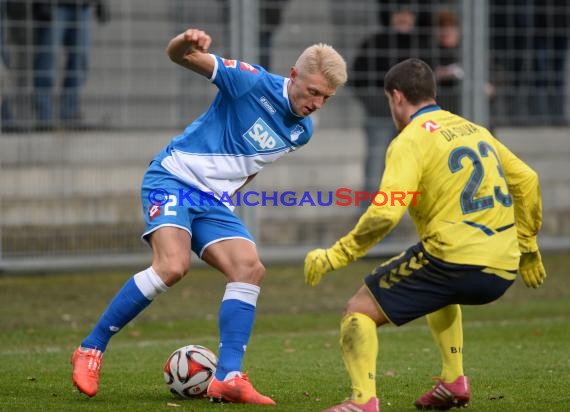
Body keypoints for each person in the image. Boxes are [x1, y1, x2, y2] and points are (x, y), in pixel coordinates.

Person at [70, 27, 347, 404]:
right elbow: (178, 56)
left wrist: (227, 198)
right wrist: (187, 42)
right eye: (314, 92)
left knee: (250, 269)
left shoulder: (302, 131)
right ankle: (91, 348)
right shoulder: (249, 81)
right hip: (173, 178)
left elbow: (251, 165)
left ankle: (228, 377)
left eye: (326, 98)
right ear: (294, 75)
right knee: (172, 266)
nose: (317, 103)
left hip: (214, 202)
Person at [304, 58, 546, 412]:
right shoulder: (473, 129)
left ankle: (362, 402)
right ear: (432, 94)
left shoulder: (410, 140)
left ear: (396, 97)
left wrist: (337, 254)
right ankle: (453, 382)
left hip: (455, 259)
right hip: (502, 267)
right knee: (439, 287)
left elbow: (386, 212)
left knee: (358, 309)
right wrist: (527, 245)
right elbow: (527, 180)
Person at [351, 2, 430, 209]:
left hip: (417, 119)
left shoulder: (423, 45)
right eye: (399, 13)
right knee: (376, 171)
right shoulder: (375, 43)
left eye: (408, 13)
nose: (404, 18)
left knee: (419, 169)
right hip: (381, 116)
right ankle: (369, 219)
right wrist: (378, 104)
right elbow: (357, 78)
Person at [32, 0, 109, 129]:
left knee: (80, 60)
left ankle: (69, 114)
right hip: (55, 6)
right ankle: (45, 118)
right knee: (47, 60)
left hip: (83, 7)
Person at [432, 9, 463, 114]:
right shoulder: (430, 52)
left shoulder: (468, 54)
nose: (446, 31)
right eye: (442, 27)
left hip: (463, 106)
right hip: (438, 109)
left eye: (451, 27)